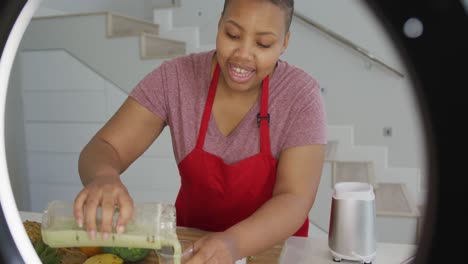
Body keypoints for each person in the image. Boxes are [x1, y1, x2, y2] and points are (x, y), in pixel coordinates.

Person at [73, 0, 326, 262]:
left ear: (284, 43)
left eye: (263, 44)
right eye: (233, 35)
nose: (243, 54)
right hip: (191, 249)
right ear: (219, 25)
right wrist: (102, 176)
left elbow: (295, 198)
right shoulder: (175, 78)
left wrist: (233, 243)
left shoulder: (300, 96)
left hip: (276, 253)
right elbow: (105, 146)